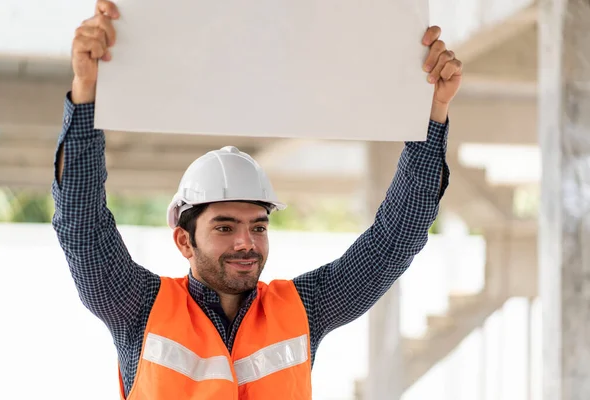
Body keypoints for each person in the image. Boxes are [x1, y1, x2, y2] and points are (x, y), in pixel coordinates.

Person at [52, 0, 462, 398]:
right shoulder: (138, 308)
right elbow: (82, 224)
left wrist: (433, 110)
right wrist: (86, 91)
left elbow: (395, 239)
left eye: (258, 226)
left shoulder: (304, 309)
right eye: (225, 227)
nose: (246, 242)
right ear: (183, 240)